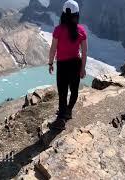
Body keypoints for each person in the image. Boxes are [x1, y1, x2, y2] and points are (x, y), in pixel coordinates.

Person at [48, 0, 88, 129]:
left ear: (63, 14)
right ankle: (68, 111)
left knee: (63, 92)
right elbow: (84, 51)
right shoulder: (81, 30)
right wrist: (82, 68)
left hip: (62, 65)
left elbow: (53, 49)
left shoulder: (58, 30)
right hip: (75, 64)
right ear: (77, 14)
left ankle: (61, 119)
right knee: (74, 90)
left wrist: (50, 63)